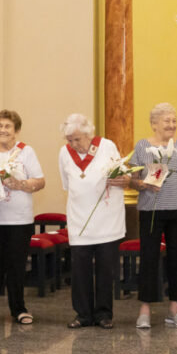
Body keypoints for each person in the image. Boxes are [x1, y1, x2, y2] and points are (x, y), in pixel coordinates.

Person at [0, 110, 46, 325]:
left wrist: (22, 184)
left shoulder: (26, 152)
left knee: (16, 265)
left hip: (19, 220)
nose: (2, 130)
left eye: (7, 126)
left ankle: (19, 309)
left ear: (16, 131)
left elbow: (40, 181)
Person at [129, 103, 177, 329]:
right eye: (167, 121)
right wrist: (144, 185)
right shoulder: (142, 146)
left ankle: (175, 310)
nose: (172, 125)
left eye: (174, 120)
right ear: (154, 124)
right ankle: (145, 311)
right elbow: (132, 180)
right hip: (151, 210)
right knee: (149, 258)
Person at [58, 114, 130, 330]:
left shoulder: (107, 146)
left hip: (107, 220)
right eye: (69, 140)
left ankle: (104, 314)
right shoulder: (64, 153)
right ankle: (83, 314)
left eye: (77, 139)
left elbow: (123, 176)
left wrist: (121, 180)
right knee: (80, 269)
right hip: (79, 220)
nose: (73, 144)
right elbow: (66, 184)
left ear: (89, 134)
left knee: (106, 269)